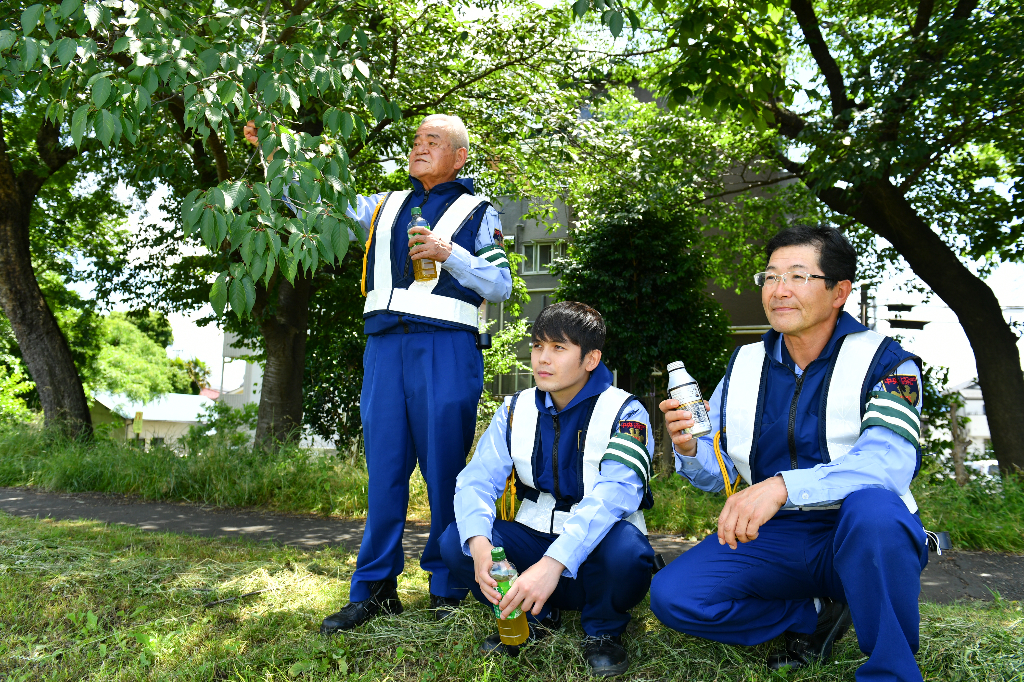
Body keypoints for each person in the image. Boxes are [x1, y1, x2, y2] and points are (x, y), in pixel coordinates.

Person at [262, 115, 511, 631]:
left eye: (432, 141)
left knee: (446, 476)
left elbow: (501, 285)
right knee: (385, 478)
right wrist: (273, 149)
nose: (419, 147)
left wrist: (451, 255)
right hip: (383, 351)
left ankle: (449, 589)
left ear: (459, 156)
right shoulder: (384, 205)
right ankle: (374, 590)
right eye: (416, 140)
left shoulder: (478, 211)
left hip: (446, 349)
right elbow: (313, 203)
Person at [650, 225, 929, 682]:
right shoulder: (743, 365)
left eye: (798, 277)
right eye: (770, 277)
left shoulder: (889, 363)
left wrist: (783, 486)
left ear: (839, 291)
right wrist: (688, 449)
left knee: (877, 510)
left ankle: (891, 672)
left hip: (855, 531)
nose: (779, 291)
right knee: (674, 597)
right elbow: (713, 473)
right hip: (774, 536)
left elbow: (888, 464)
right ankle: (815, 613)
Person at [439, 301, 656, 678]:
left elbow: (613, 498)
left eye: (559, 348)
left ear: (591, 358)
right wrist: (479, 546)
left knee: (628, 553)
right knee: (455, 540)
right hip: (534, 537)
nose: (543, 358)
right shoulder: (515, 408)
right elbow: (475, 481)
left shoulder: (626, 411)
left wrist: (552, 564)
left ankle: (603, 629)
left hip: (597, 554)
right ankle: (536, 616)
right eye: (538, 346)